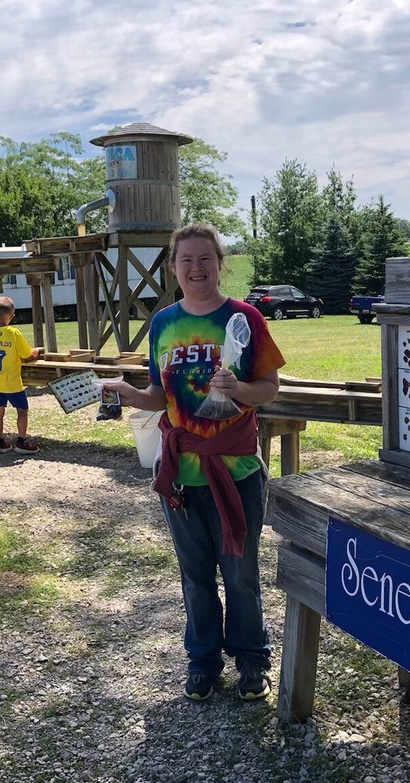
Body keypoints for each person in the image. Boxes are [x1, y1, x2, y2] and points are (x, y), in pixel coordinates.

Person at [105, 223, 285, 702]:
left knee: (241, 574)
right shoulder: (163, 323)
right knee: (195, 576)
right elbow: (160, 396)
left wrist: (238, 390)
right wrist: (129, 395)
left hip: (238, 470)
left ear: (219, 263)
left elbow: (269, 388)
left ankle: (251, 659)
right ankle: (202, 661)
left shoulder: (243, 318)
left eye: (205, 258)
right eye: (186, 260)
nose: (196, 268)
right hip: (182, 474)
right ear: (173, 266)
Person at [0, 296, 42, 454]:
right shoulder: (14, 333)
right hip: (12, 382)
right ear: (11, 316)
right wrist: (36, 351)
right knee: (22, 410)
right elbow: (26, 354)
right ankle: (22, 441)